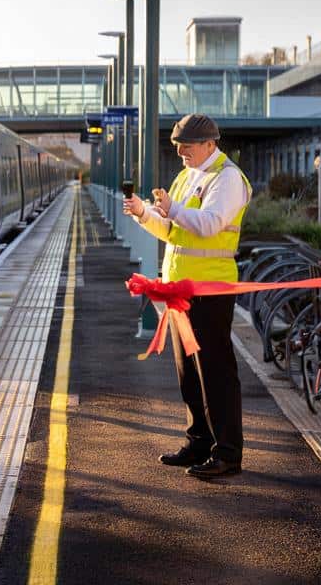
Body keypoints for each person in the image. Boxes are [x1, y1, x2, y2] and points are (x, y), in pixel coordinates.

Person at [124, 113, 251, 478]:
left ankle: (227, 453)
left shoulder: (227, 179)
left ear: (211, 143)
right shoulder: (187, 176)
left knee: (215, 372)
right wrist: (143, 214)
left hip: (210, 289)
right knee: (189, 375)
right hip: (181, 289)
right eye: (178, 146)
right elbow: (172, 231)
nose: (180, 152)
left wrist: (173, 210)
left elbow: (210, 225)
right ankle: (199, 442)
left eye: (187, 146)